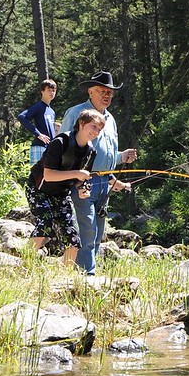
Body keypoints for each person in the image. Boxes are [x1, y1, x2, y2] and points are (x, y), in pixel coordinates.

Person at [61, 71, 138, 275]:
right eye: (103, 91)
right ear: (91, 91)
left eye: (110, 93)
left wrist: (122, 156)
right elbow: (62, 147)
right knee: (87, 229)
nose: (107, 96)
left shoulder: (110, 119)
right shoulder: (76, 113)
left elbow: (106, 154)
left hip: (105, 183)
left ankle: (81, 272)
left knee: (97, 233)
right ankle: (87, 275)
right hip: (82, 181)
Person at [25, 109, 106, 267]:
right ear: (81, 124)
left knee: (73, 238)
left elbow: (79, 180)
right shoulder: (60, 143)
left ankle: (66, 275)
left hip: (62, 195)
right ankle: (25, 265)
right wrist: (77, 173)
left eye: (99, 129)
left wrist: (83, 189)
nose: (96, 132)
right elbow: (48, 175)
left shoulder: (91, 152)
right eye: (93, 127)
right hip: (38, 190)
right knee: (45, 224)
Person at [17, 79, 59, 166]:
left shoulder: (51, 111)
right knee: (37, 176)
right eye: (49, 90)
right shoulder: (39, 106)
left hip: (49, 149)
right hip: (39, 147)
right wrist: (38, 134)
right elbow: (22, 117)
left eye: (53, 90)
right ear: (42, 91)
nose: (51, 93)